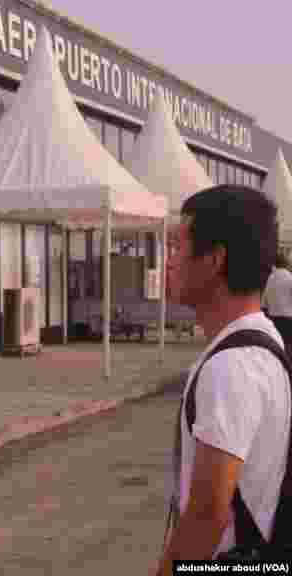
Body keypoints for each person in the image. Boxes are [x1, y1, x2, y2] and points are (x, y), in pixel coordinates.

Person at [154, 185, 291, 573]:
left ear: (214, 260)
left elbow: (207, 515)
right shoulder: (261, 339)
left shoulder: (230, 367)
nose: (170, 262)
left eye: (178, 248)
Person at [263, 250, 292, 344]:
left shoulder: (269, 278)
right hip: (288, 319)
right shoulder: (290, 278)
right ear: (287, 264)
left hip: (273, 318)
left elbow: (264, 302)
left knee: (277, 344)